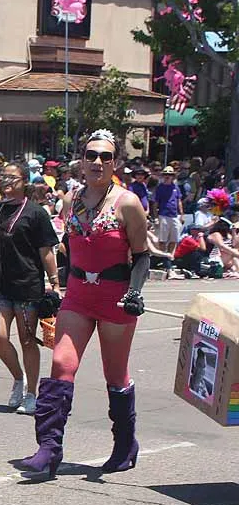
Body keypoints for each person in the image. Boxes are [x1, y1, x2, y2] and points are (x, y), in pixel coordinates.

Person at [18, 129, 149, 479]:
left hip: (115, 298)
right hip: (78, 295)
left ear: (115, 162)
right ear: (81, 160)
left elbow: (142, 256)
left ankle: (125, 444)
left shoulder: (128, 203)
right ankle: (49, 448)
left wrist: (135, 292)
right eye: (91, 155)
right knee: (61, 363)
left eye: (105, 156)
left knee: (115, 374)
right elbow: (70, 248)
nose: (97, 162)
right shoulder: (70, 200)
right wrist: (53, 285)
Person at [0, 163, 60, 416]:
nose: (6, 180)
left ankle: (32, 393)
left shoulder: (35, 213)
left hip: (27, 286)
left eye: (12, 177)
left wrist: (54, 282)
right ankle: (18, 378)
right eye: (3, 176)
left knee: (27, 340)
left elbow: (47, 251)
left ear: (24, 182)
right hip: (0, 286)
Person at [154, 166, 184, 257]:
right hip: (163, 215)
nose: (167, 176)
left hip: (174, 215)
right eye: (166, 174)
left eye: (170, 174)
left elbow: (179, 201)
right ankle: (163, 257)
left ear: (173, 176)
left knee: (174, 239)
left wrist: (182, 214)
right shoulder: (160, 188)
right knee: (162, 239)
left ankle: (170, 257)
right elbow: (155, 203)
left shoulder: (175, 187)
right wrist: (156, 217)